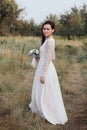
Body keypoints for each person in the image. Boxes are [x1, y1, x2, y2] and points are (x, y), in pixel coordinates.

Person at [29, 20, 68, 125]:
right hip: (42, 66)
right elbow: (51, 56)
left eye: (47, 29)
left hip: (45, 69)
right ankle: (41, 108)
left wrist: (43, 74)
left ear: (52, 30)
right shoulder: (47, 40)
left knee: (45, 90)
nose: (45, 30)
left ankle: (48, 111)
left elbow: (50, 58)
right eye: (44, 28)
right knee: (42, 89)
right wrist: (37, 56)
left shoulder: (50, 41)